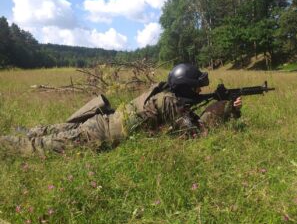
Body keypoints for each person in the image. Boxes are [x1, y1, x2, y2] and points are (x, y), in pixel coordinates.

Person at [0, 63, 242, 156]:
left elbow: (186, 118)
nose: (200, 92)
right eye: (197, 88)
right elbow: (195, 134)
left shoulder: (166, 96)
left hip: (100, 122)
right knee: (38, 148)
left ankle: (27, 130)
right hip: (97, 134)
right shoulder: (169, 103)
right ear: (187, 88)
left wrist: (227, 107)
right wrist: (221, 108)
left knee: (52, 131)